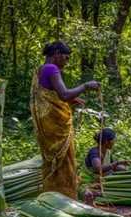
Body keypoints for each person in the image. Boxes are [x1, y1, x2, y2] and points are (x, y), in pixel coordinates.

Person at [30, 41, 100, 199]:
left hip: (46, 126)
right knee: (64, 162)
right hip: (56, 127)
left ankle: (51, 196)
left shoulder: (40, 70)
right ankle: (65, 197)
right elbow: (64, 94)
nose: (67, 62)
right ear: (56, 54)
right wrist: (86, 86)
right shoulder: (51, 68)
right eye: (66, 58)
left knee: (52, 162)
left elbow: (51, 95)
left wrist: (70, 100)